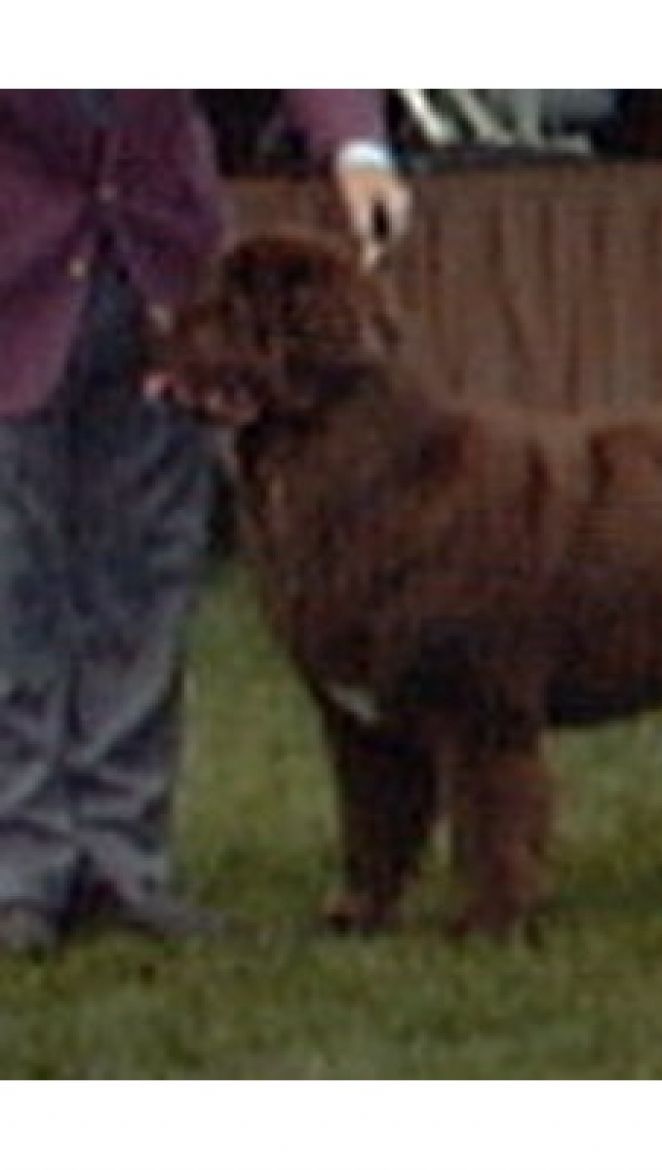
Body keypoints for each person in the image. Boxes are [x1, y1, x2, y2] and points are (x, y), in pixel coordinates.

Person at [0, 90, 412, 957]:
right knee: (14, 591)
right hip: (17, 279)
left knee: (144, 585)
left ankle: (123, 861)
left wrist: (356, 150)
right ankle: (21, 869)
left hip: (167, 277)